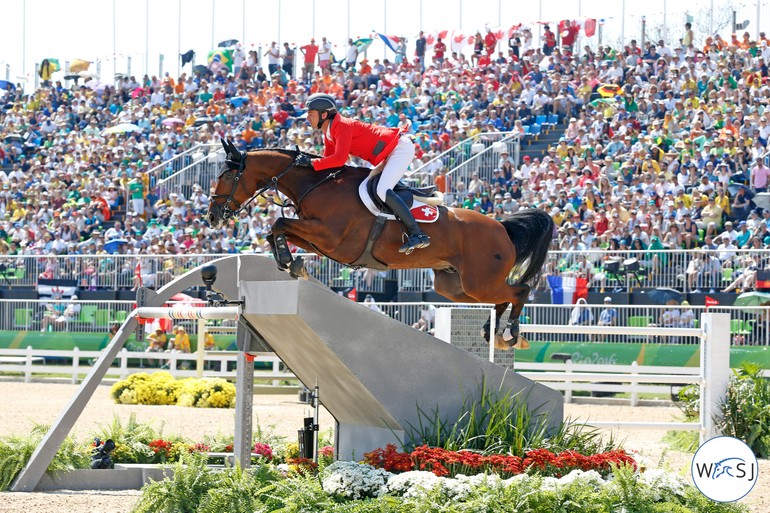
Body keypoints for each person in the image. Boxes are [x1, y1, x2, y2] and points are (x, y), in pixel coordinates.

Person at [294, 93, 430, 253]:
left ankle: (418, 234)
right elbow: (328, 161)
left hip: (399, 148)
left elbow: (338, 160)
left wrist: (310, 163)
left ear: (324, 114)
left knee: (381, 190)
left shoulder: (342, 126)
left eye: (311, 114)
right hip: (388, 153)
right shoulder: (328, 133)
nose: (307, 118)